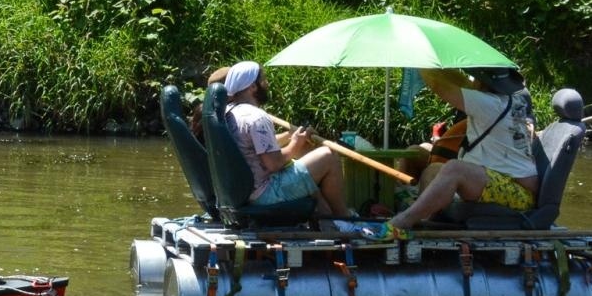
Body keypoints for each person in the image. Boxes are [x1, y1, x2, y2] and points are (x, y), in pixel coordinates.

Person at [382, 69, 537, 239]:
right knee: (434, 169)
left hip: (519, 194)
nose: (472, 81)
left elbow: (441, 87)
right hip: (504, 181)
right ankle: (425, 222)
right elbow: (462, 84)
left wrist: (422, 65)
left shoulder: (489, 104)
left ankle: (403, 221)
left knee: (455, 169)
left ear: (482, 83)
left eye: (476, 78)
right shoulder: (505, 100)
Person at [222, 62, 349, 216]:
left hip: (243, 192)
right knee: (328, 155)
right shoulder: (257, 117)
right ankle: (345, 218)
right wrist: (295, 144)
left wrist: (290, 135)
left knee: (305, 154)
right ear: (253, 86)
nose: (267, 84)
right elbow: (274, 164)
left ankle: (327, 216)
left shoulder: (228, 113)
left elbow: (255, 146)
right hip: (264, 195)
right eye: (263, 80)